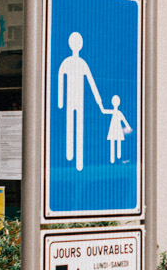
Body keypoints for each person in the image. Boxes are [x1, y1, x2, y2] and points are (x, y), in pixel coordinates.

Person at [55, 32, 105, 172]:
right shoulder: (69, 62)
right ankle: (70, 155)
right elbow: (60, 79)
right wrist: (60, 101)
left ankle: (77, 159)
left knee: (77, 125)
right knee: (71, 124)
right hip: (71, 99)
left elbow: (91, 82)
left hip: (78, 100)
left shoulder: (80, 63)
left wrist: (98, 100)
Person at [104, 95, 132, 164]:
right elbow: (104, 111)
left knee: (118, 142)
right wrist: (101, 107)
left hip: (118, 129)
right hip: (113, 128)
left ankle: (119, 158)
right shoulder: (113, 112)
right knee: (112, 142)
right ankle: (112, 159)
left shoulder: (119, 113)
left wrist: (128, 127)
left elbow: (124, 120)